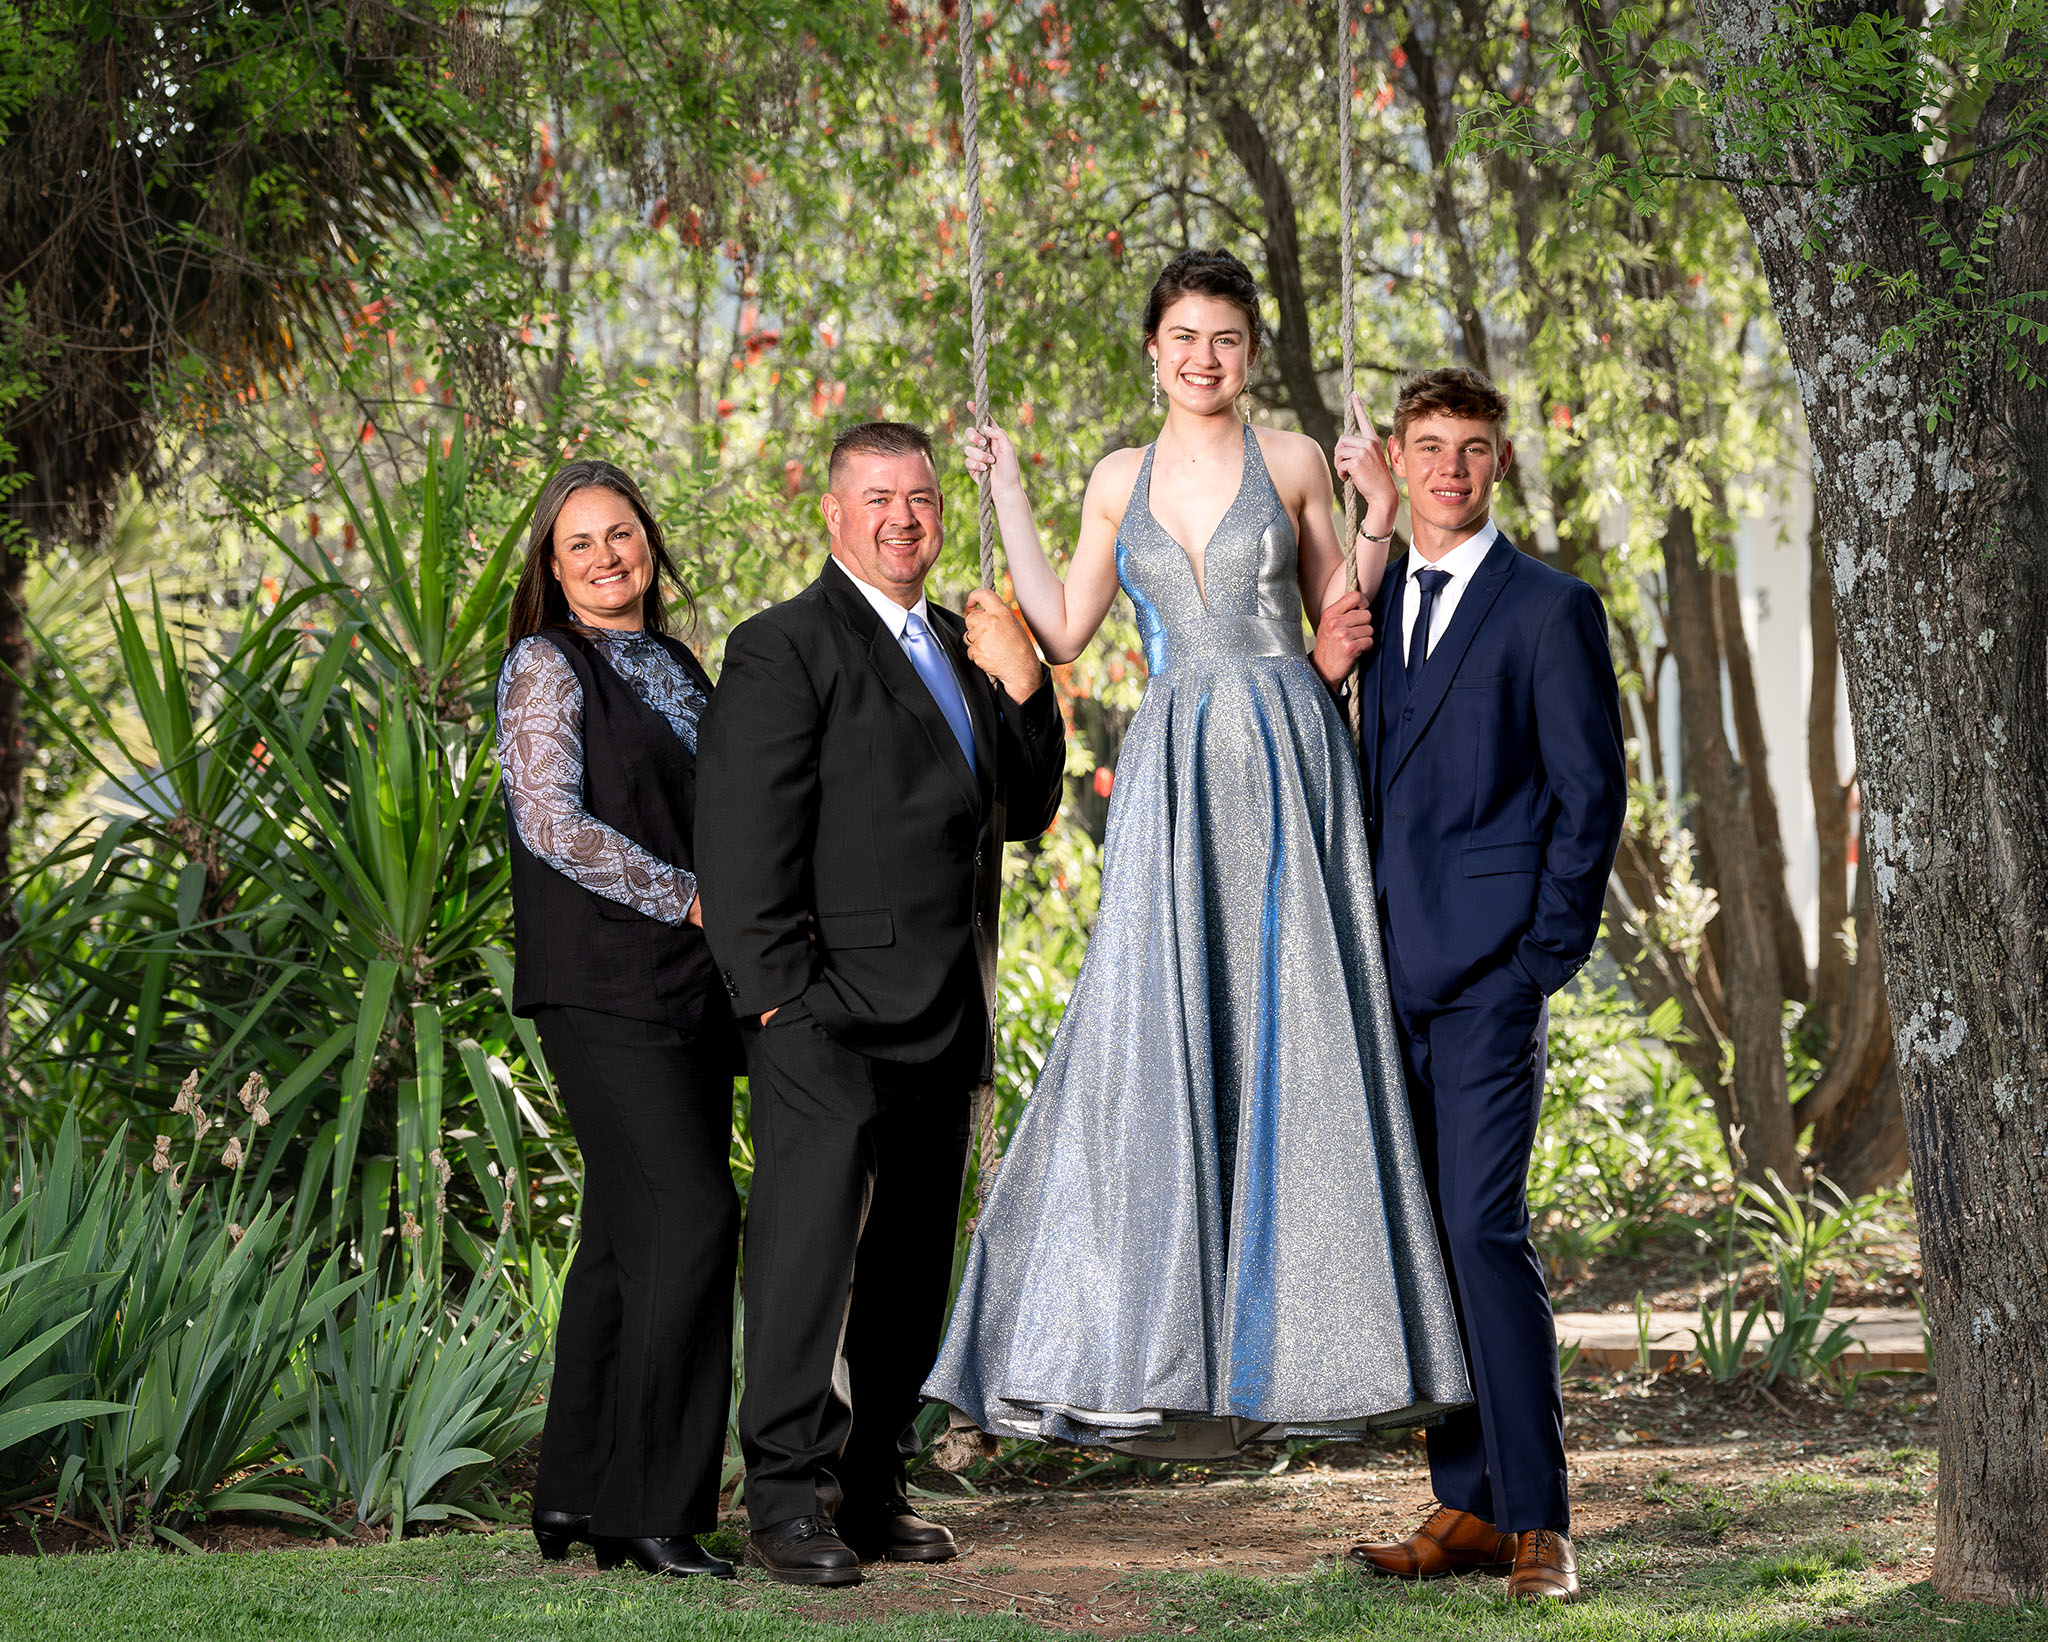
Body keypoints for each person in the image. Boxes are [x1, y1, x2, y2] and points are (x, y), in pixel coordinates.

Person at [920, 249, 1471, 1460]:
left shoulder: (1285, 463)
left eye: (1223, 336)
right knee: (1154, 1019)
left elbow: (1347, 613)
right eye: (1181, 334)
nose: (1202, 356)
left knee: (1297, 1020)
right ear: (1153, 348)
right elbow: (1060, 628)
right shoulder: (1117, 475)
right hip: (1173, 763)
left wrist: (1376, 509)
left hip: (1282, 746)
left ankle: (1317, 1343)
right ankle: (1129, 1336)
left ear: (1248, 352)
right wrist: (1006, 488)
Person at [694, 421, 1066, 1586]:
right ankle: (785, 1505)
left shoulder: (961, 641)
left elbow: (1024, 806)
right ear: (834, 513)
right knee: (807, 1262)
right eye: (877, 498)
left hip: (945, 1008)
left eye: (919, 498)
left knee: (909, 1269)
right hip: (823, 1013)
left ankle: (871, 1491)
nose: (901, 517)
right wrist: (773, 1006)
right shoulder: (781, 647)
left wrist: (1025, 680)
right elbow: (741, 847)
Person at [1315, 368, 1626, 1604]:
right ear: (1397, 453)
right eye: (1427, 446)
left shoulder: (1551, 608)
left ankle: (1541, 1521)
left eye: (1471, 448)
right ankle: (1468, 1503)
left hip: (1492, 971)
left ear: (1498, 462)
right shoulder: (1377, 602)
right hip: (1389, 972)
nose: (1448, 468)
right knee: (1430, 1245)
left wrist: (1540, 955)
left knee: (1487, 1232)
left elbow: (1588, 795)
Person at [496, 460, 740, 1580]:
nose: (605, 555)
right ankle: (649, 1512)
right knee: (691, 1217)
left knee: (618, 1235)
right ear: (552, 565)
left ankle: (577, 1491)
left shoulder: (679, 663)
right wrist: (685, 895)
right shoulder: (546, 663)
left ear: (649, 541)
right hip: (599, 979)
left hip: (688, 985)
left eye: (621, 534)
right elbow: (550, 820)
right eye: (579, 542)